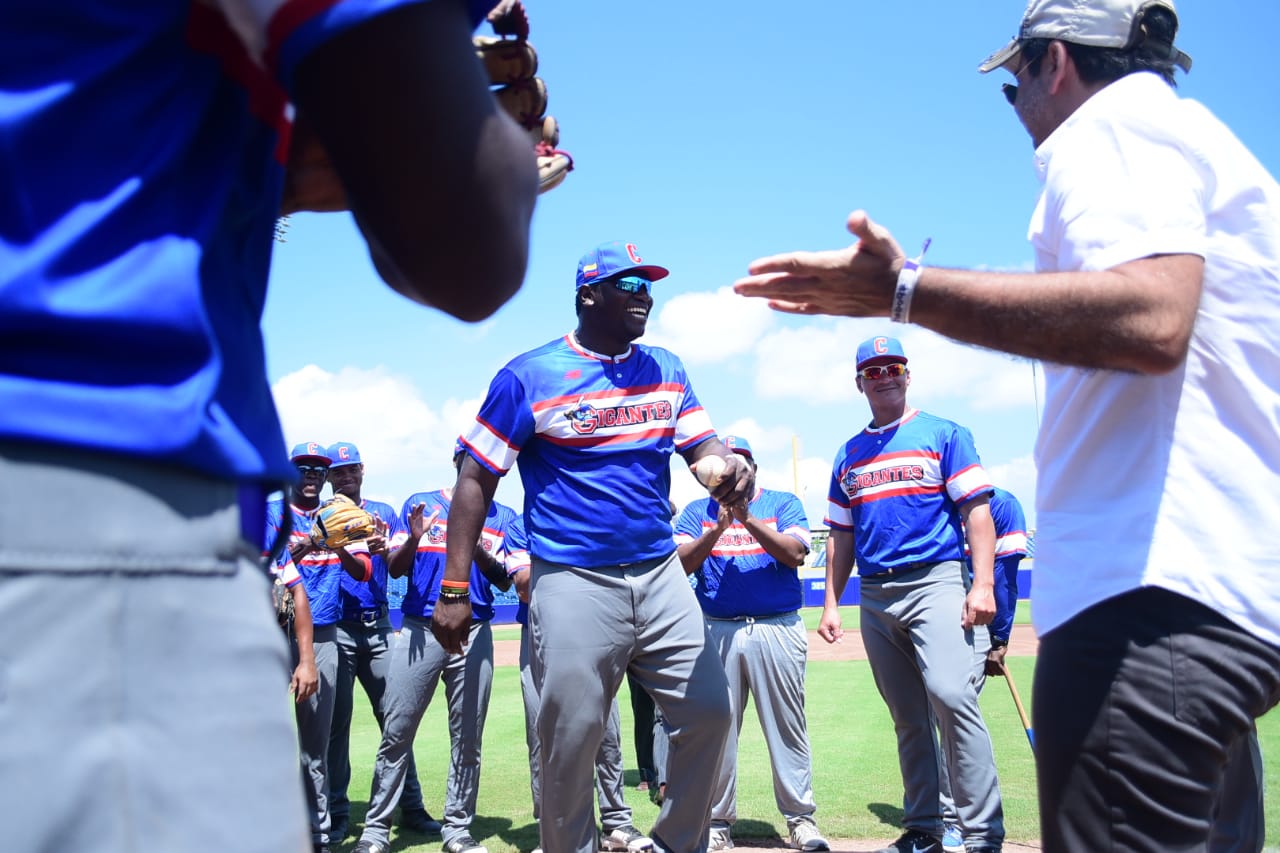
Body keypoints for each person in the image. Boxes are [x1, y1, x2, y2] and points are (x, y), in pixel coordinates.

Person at [734, 1, 1280, 848]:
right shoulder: (1202, 145)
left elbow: (1152, 318)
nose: (1015, 104)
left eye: (1013, 80)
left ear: (1054, 62)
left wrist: (906, 293)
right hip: (1213, 592)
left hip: (1146, 597)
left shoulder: (1112, 126)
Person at [0, 2, 536, 851]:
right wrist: (487, 132)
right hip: (99, 493)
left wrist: (256, 157)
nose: (327, 477)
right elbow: (466, 249)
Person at [435, 240, 751, 853]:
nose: (644, 297)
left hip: (659, 571)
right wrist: (453, 588)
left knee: (711, 711)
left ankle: (675, 843)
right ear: (588, 295)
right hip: (573, 577)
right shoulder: (529, 375)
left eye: (648, 286)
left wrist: (730, 467)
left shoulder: (667, 368)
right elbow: (474, 480)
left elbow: (704, 449)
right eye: (629, 286)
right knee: (571, 740)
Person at [817, 337, 1003, 853]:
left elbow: (977, 512)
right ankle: (925, 829)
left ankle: (983, 834)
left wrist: (983, 583)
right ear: (860, 383)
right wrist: (832, 602)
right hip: (876, 592)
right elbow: (841, 536)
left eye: (893, 367)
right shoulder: (848, 453)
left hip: (935, 579)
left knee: (952, 697)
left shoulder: (943, 433)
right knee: (907, 717)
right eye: (873, 371)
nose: (885, 377)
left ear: (907, 374)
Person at [350, 444, 522, 853]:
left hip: (474, 630)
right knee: (397, 731)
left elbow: (504, 580)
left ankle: (457, 830)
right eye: (471, 459)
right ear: (458, 462)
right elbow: (395, 568)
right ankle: (376, 831)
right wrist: (413, 538)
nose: (481, 466)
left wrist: (476, 547)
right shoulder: (422, 504)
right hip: (419, 629)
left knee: (468, 739)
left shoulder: (504, 518)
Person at [673, 435, 828, 852]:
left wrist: (747, 519)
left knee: (786, 727)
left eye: (738, 464)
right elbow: (681, 565)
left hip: (776, 626)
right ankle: (717, 822)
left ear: (752, 469)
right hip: (717, 629)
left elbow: (795, 553)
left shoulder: (781, 503)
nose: (729, 473)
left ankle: (801, 820)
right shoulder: (696, 512)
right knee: (717, 731)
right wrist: (719, 528)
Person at [509, 525, 656, 853]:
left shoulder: (586, 521)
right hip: (542, 636)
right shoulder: (522, 527)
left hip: (596, 631)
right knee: (543, 736)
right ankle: (552, 831)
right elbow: (523, 586)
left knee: (608, 733)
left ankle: (616, 823)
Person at [323, 441, 440, 843]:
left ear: (362, 470)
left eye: (351, 468)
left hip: (378, 626)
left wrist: (390, 544)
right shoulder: (322, 518)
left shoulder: (383, 513)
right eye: (338, 471)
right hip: (337, 627)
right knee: (336, 727)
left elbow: (395, 565)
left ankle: (412, 807)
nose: (346, 476)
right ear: (329, 477)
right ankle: (338, 814)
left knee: (397, 722)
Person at [268, 442, 382, 851]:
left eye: (319, 470)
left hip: (323, 635)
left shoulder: (340, 514)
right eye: (304, 468)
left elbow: (363, 570)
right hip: (272, 634)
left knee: (317, 744)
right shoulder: (272, 513)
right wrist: (298, 551)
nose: (312, 476)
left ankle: (317, 834)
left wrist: (331, 543)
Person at [939, 486, 1028, 852]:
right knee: (940, 718)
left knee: (955, 718)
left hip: (972, 625)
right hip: (937, 618)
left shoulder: (1002, 505)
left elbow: (1004, 577)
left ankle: (959, 820)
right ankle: (948, 819)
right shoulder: (934, 501)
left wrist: (998, 637)